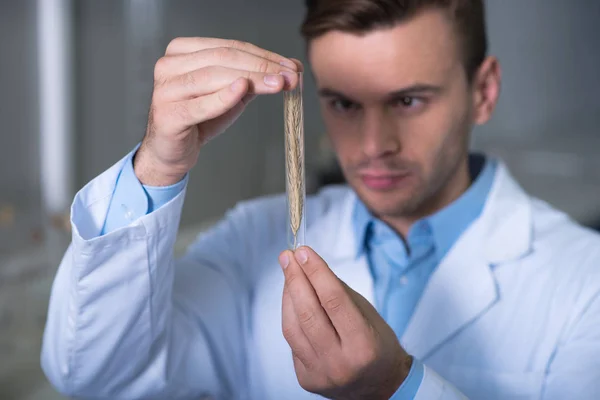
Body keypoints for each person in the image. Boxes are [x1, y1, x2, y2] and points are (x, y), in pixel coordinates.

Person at [41, 0, 600, 399]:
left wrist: (396, 389)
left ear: (484, 91)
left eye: (407, 100)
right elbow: (95, 379)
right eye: (343, 104)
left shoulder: (585, 285)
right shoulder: (252, 241)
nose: (373, 146)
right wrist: (158, 165)